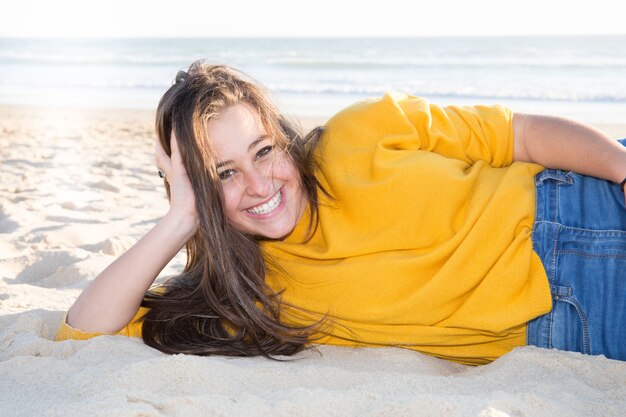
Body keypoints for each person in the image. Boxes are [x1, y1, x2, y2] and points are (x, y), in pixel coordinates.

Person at [56, 61, 626, 365]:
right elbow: (81, 330)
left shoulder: (363, 130)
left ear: (282, 137)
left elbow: (521, 135)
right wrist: (182, 217)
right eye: (223, 174)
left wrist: (622, 170)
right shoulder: (247, 297)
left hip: (574, 208)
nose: (259, 185)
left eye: (263, 151)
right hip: (567, 330)